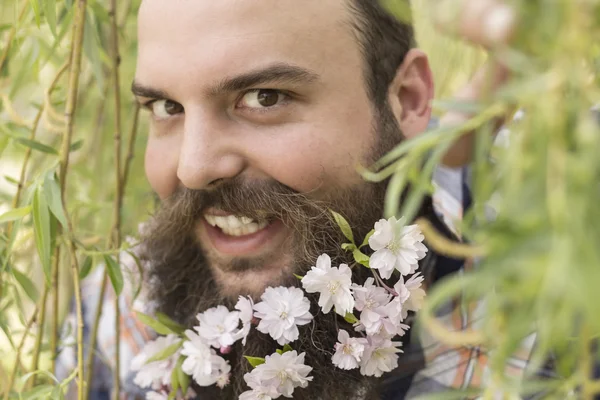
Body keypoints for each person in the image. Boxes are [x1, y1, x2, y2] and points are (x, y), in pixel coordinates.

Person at [60, 0, 543, 399]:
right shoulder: (117, 319)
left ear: (409, 99)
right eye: (167, 108)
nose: (194, 168)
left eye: (264, 97)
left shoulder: (554, 249)